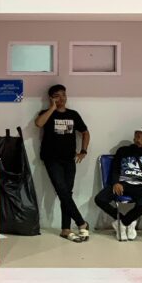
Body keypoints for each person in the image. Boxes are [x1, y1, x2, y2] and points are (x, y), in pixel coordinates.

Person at [35, 84, 91, 242]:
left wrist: (83, 151)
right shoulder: (46, 114)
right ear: (51, 98)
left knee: (67, 193)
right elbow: (39, 124)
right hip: (51, 158)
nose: (62, 98)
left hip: (69, 159)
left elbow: (85, 133)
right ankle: (81, 222)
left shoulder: (73, 114)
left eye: (64, 95)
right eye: (57, 96)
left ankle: (66, 229)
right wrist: (52, 108)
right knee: (62, 190)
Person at [94, 125, 142, 241]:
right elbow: (115, 169)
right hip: (123, 183)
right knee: (99, 199)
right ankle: (126, 221)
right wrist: (116, 182)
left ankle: (122, 224)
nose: (138, 140)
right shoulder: (123, 150)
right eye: (137, 137)